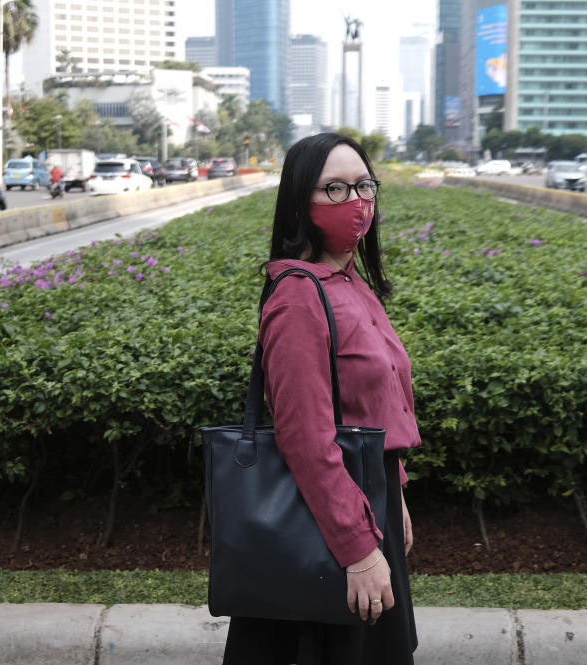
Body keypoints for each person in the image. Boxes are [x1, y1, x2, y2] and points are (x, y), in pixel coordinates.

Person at [221, 133, 420, 665]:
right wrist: (357, 550)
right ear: (299, 204)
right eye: (334, 188)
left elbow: (377, 406)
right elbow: (305, 437)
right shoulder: (298, 297)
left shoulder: (352, 284)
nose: (356, 201)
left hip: (366, 506)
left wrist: (392, 490)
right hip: (326, 533)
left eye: (363, 185)